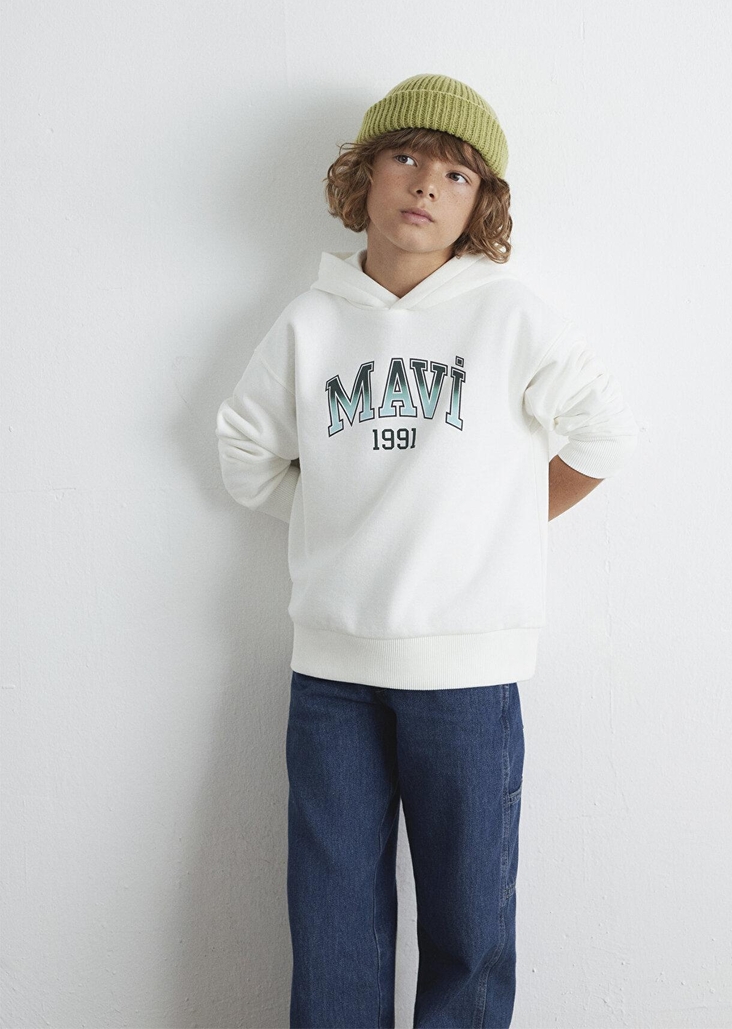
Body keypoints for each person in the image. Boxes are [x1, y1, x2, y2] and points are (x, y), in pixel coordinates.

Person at [215, 73, 639, 1028]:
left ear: (479, 204)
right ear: (362, 176)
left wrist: (500, 522)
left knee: (469, 922)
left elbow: (607, 435)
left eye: (456, 174)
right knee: (332, 921)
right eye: (405, 157)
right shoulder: (310, 321)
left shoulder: (510, 315)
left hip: (468, 673)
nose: (425, 185)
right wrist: (345, 519)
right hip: (333, 675)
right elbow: (245, 453)